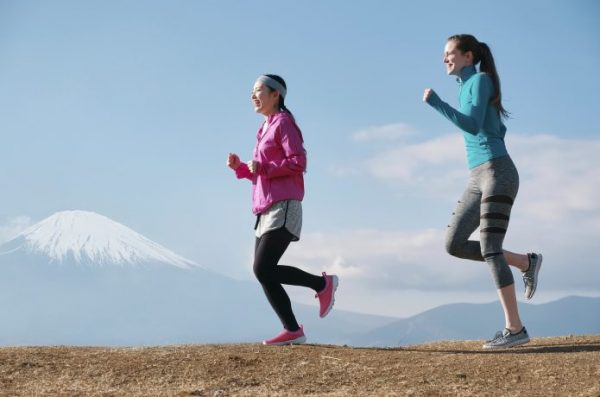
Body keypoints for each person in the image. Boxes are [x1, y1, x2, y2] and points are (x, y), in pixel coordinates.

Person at [423, 34, 543, 349]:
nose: (444, 59)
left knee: (490, 246)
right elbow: (496, 128)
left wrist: (437, 103)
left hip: (497, 172)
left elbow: (474, 125)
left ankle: (515, 329)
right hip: (478, 176)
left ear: (468, 55)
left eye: (449, 53)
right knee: (453, 243)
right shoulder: (467, 87)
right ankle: (524, 263)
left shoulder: (480, 80)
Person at [227, 74, 338, 346]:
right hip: (264, 208)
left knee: (263, 268)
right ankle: (292, 329)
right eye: (251, 92)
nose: (253, 96)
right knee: (263, 271)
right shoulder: (263, 128)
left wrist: (263, 168)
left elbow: (298, 162)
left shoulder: (284, 123)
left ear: (275, 94)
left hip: (284, 205)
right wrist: (242, 168)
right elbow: (260, 174)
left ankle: (321, 285)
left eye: (258, 91)